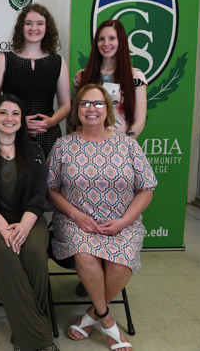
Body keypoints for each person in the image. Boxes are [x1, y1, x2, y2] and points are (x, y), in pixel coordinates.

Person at [47, 84, 157, 351]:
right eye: (84, 103)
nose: (91, 109)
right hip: (76, 222)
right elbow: (51, 188)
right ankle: (107, 321)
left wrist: (124, 221)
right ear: (77, 110)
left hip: (121, 222)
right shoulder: (63, 145)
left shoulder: (127, 145)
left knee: (120, 264)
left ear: (107, 109)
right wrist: (75, 214)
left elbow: (147, 188)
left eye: (98, 104)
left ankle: (91, 315)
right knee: (85, 254)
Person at [0, 94, 57, 351]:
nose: (9, 118)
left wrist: (24, 227)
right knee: (7, 252)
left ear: (22, 120)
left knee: (35, 254)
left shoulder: (35, 150)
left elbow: (39, 196)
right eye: (3, 113)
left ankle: (24, 337)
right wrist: (3, 227)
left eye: (16, 113)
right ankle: (39, 341)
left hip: (27, 217)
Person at [0, 3, 70, 158]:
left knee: (46, 181)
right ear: (21, 27)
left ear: (47, 28)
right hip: (11, 133)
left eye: (40, 23)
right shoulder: (4, 60)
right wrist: (17, 121)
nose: (34, 28)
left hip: (48, 135)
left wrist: (51, 121)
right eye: (28, 23)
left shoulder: (58, 62)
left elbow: (66, 104)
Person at [72, 19, 147, 137]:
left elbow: (139, 122)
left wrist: (120, 146)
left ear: (121, 41)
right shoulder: (82, 76)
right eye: (101, 39)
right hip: (85, 148)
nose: (106, 43)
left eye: (112, 38)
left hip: (120, 150)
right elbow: (73, 118)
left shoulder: (135, 77)